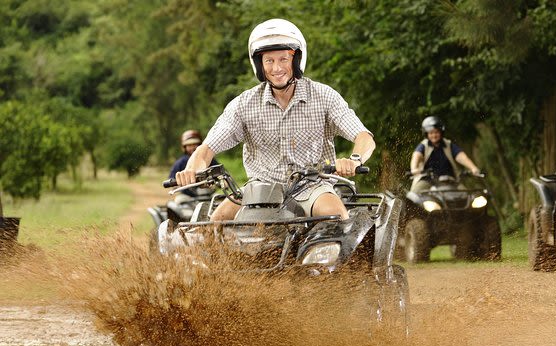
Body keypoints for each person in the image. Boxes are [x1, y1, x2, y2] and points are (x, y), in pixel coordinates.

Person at [174, 18, 375, 221]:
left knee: (336, 215)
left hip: (312, 186)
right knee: (215, 223)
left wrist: (354, 160)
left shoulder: (324, 96)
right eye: (269, 60)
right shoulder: (244, 104)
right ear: (259, 65)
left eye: (283, 59)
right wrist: (191, 169)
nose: (276, 68)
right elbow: (206, 149)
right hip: (259, 190)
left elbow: (364, 137)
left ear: (296, 60)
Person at [409, 116, 480, 193]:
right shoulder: (423, 146)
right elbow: (416, 156)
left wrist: (473, 168)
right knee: (414, 195)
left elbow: (461, 156)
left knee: (466, 195)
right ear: (426, 134)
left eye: (436, 132)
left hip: (450, 180)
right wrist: (414, 169)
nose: (434, 135)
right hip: (427, 180)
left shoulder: (449, 145)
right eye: (431, 133)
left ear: (441, 132)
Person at [169, 130, 218, 198]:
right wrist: (179, 185)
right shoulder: (180, 163)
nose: (192, 147)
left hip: (208, 195)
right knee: (180, 200)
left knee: (221, 200)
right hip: (188, 197)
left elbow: (220, 172)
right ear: (184, 147)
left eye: (195, 144)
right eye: (189, 145)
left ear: (200, 145)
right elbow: (172, 180)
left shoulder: (209, 159)